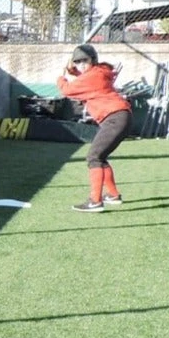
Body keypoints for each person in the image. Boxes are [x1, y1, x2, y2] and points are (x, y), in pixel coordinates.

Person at [57, 44, 133, 212]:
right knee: (101, 157)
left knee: (94, 157)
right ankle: (113, 195)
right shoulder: (98, 72)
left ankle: (95, 201)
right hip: (119, 116)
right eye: (77, 62)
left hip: (114, 118)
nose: (81, 65)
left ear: (93, 60)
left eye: (85, 60)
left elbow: (68, 90)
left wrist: (61, 78)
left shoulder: (92, 77)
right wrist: (75, 73)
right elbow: (86, 79)